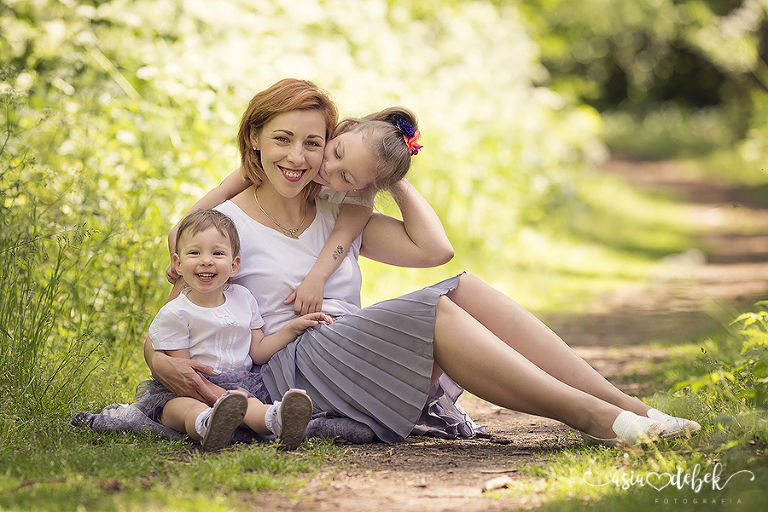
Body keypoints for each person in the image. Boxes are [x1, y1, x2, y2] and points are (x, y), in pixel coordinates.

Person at [146, 78, 701, 447]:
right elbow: (179, 313)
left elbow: (433, 250)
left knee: (466, 288)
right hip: (288, 363)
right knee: (434, 311)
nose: (297, 157)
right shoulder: (223, 227)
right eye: (282, 140)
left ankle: (631, 406)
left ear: (331, 144)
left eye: (314, 143)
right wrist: (158, 359)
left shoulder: (339, 209)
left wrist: (387, 171)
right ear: (255, 140)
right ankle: (595, 419)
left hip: (347, 350)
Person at [165, 105, 418, 316]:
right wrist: (179, 241)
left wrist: (388, 170)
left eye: (346, 176)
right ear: (343, 130)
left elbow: (437, 251)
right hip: (298, 347)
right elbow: (221, 192)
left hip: (338, 328)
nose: (329, 168)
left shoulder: (353, 194)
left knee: (454, 291)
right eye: (336, 152)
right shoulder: (273, 166)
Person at [149, 208, 333, 451]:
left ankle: (278, 421)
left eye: (217, 253)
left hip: (237, 387)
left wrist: (293, 328)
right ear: (178, 264)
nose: (206, 260)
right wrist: (217, 397)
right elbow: (184, 377)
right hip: (187, 390)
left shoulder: (243, 299)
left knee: (250, 404)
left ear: (234, 265)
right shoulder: (175, 313)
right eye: (194, 253)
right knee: (185, 409)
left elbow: (257, 351)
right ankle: (208, 425)